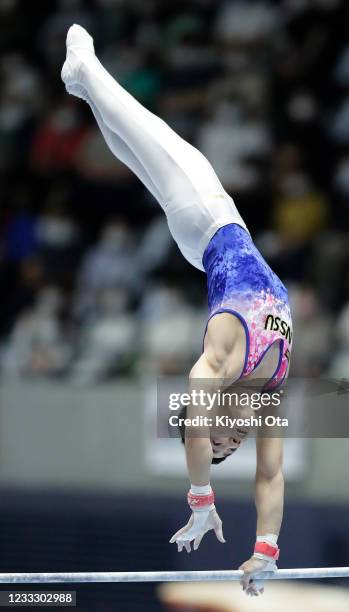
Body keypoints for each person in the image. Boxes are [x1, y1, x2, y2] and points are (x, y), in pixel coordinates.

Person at [62, 24, 292, 596]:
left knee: (142, 139)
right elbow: (270, 474)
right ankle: (84, 78)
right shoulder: (269, 393)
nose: (228, 441)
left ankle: (85, 74)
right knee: (134, 141)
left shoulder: (216, 364)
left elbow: (192, 421)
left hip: (206, 230)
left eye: (216, 443)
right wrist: (265, 551)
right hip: (209, 228)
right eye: (227, 447)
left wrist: (201, 502)